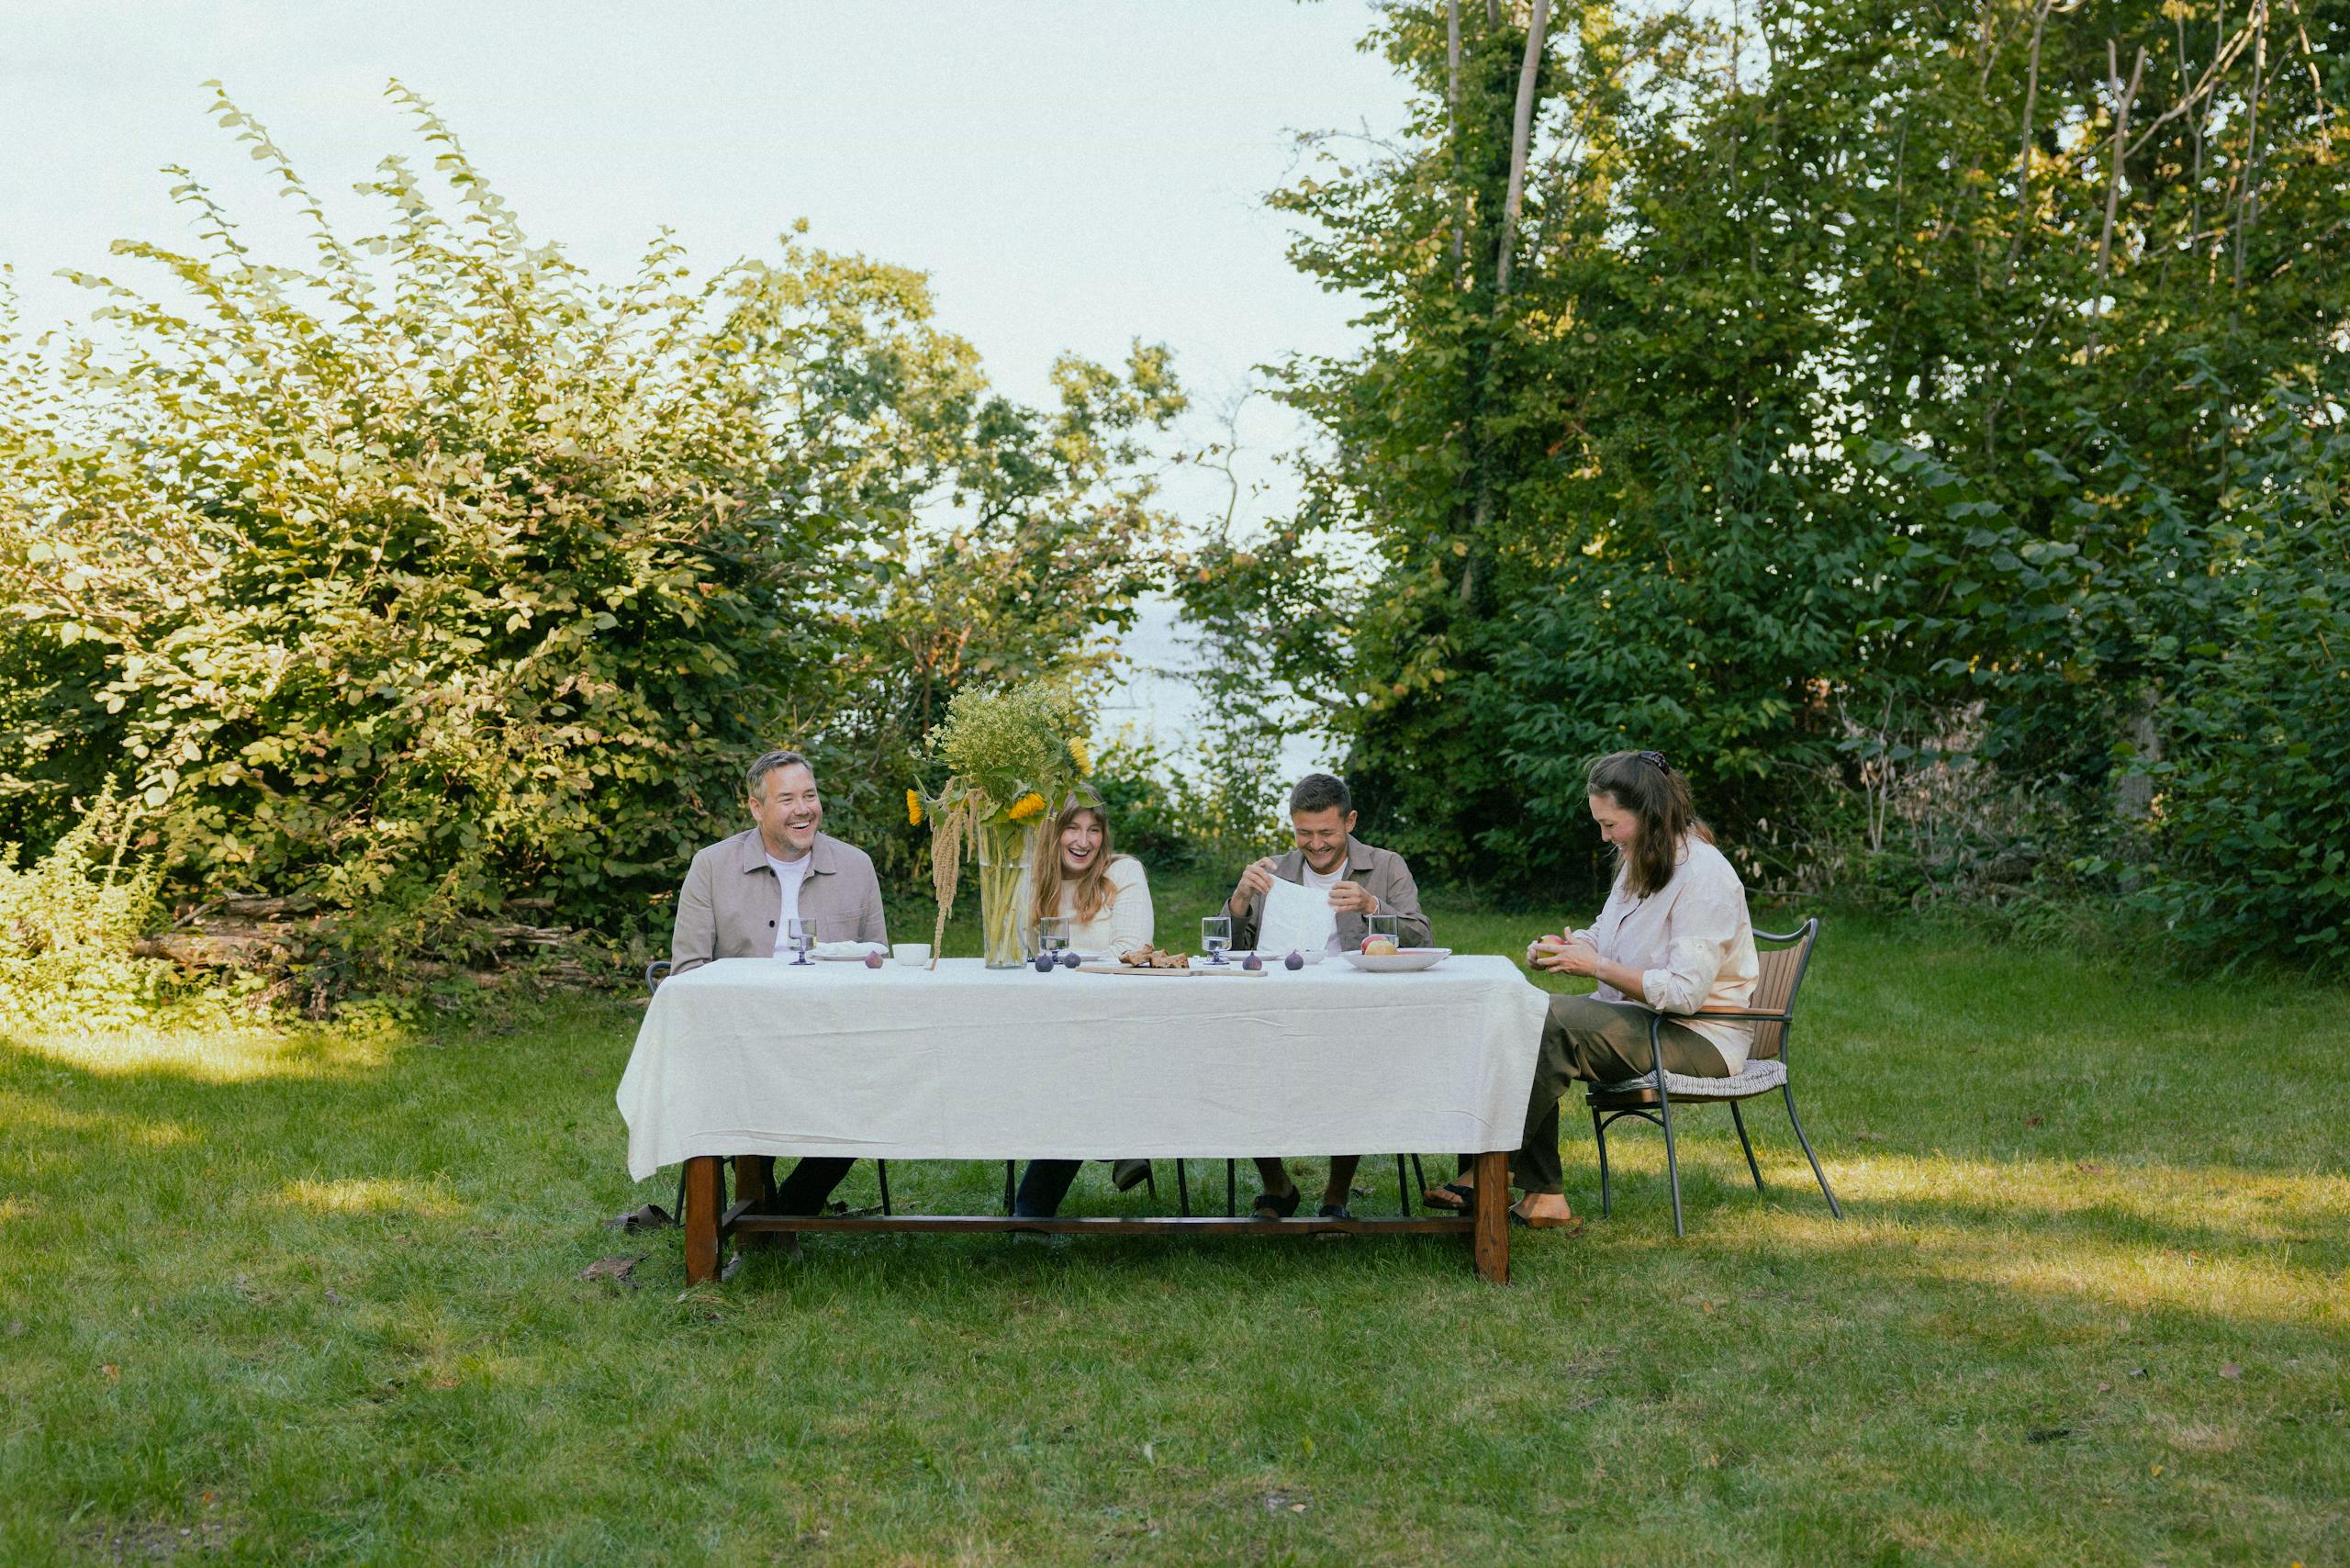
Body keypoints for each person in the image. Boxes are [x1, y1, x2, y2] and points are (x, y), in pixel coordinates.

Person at [1431, 749, 1758, 1229]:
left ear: (1648, 814)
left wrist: (1598, 967)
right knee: (1515, 1011)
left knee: (1547, 1021)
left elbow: (1686, 994)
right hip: (1642, 1022)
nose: (1605, 837)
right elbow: (1604, 931)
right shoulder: (1640, 861)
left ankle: (1491, 1169)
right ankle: (1540, 1195)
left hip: (1699, 1037)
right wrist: (1567, 947)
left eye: (1611, 824)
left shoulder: (1705, 875)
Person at [668, 748, 888, 1217]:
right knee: (745, 1089)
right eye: (787, 799)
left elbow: (878, 964)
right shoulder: (711, 866)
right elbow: (687, 973)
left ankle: (787, 1210)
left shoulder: (856, 866)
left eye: (809, 795)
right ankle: (758, 1200)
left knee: (872, 1091)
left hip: (836, 1039)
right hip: (741, 1042)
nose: (803, 808)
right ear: (756, 808)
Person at [1225, 772, 1430, 1221]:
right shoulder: (1275, 872)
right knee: (1241, 1063)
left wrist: (1372, 906)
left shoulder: (1385, 866)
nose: (1315, 844)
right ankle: (1276, 1185)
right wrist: (1240, 898)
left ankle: (1336, 1196)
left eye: (1326, 833)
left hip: (1357, 1011)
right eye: (1303, 833)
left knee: (1349, 1072)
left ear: (1350, 821)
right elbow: (1228, 951)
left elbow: (1422, 935)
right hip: (1276, 1008)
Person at [1010, 796, 1157, 1218]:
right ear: (1052, 834)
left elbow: (1132, 949)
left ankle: (1032, 1210)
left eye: (1094, 830)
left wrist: (1065, 965)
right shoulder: (1031, 879)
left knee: (1079, 1068)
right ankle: (1121, 1137)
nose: (1083, 840)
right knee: (1071, 1061)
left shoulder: (1123, 872)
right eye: (1072, 829)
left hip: (1116, 1016)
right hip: (1049, 1020)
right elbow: (1019, 954)